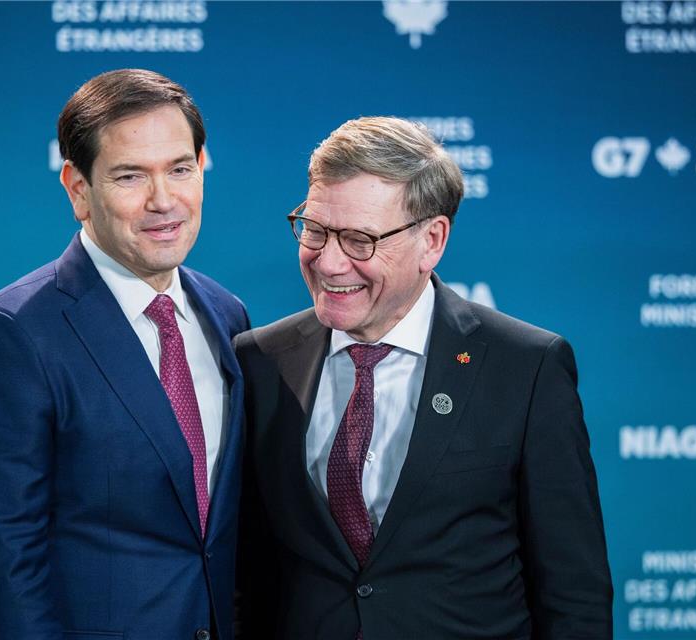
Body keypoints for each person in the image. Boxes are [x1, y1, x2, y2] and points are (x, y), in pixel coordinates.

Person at [235, 117, 612, 639]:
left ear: (431, 240)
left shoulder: (525, 367)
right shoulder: (260, 360)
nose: (329, 262)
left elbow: (574, 592)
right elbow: (243, 566)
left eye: (359, 240)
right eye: (316, 230)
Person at [0, 69, 248, 640]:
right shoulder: (7, 336)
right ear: (78, 189)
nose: (164, 200)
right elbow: (2, 572)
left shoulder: (226, 315)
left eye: (180, 169)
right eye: (130, 176)